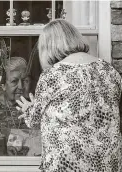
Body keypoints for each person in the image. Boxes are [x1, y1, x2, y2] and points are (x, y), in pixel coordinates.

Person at [16, 19, 122, 171]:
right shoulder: (108, 70)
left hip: (68, 163)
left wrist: (27, 108)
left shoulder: (52, 75)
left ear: (49, 47)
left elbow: (34, 120)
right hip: (107, 161)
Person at [0, 56, 41, 156]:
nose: (20, 86)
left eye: (25, 81)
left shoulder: (35, 105)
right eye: (14, 81)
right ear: (3, 85)